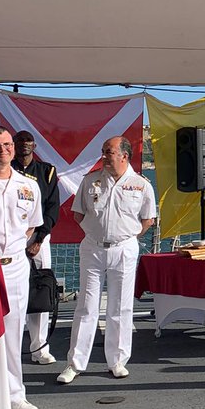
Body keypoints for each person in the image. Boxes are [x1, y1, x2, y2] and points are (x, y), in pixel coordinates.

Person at [58, 138, 156, 384]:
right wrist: (96, 231)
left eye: (109, 152)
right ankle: (75, 363)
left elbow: (148, 219)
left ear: (124, 155)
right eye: (103, 152)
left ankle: (117, 361)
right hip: (92, 248)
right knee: (86, 306)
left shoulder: (141, 185)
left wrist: (125, 236)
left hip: (123, 249)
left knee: (120, 307)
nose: (104, 156)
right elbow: (78, 212)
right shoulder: (90, 181)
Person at [0, 126, 43, 409]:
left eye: (7, 144)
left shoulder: (28, 185)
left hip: (16, 267)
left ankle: (14, 395)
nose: (3, 150)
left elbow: (32, 224)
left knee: (12, 333)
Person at [13, 130, 60, 364]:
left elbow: (52, 208)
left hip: (39, 239)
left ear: (34, 144)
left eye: (28, 141)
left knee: (40, 291)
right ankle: (9, 347)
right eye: (20, 141)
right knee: (11, 293)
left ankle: (39, 348)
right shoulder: (4, 171)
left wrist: (39, 240)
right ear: (14, 144)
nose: (24, 144)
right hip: (11, 240)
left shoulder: (46, 171)